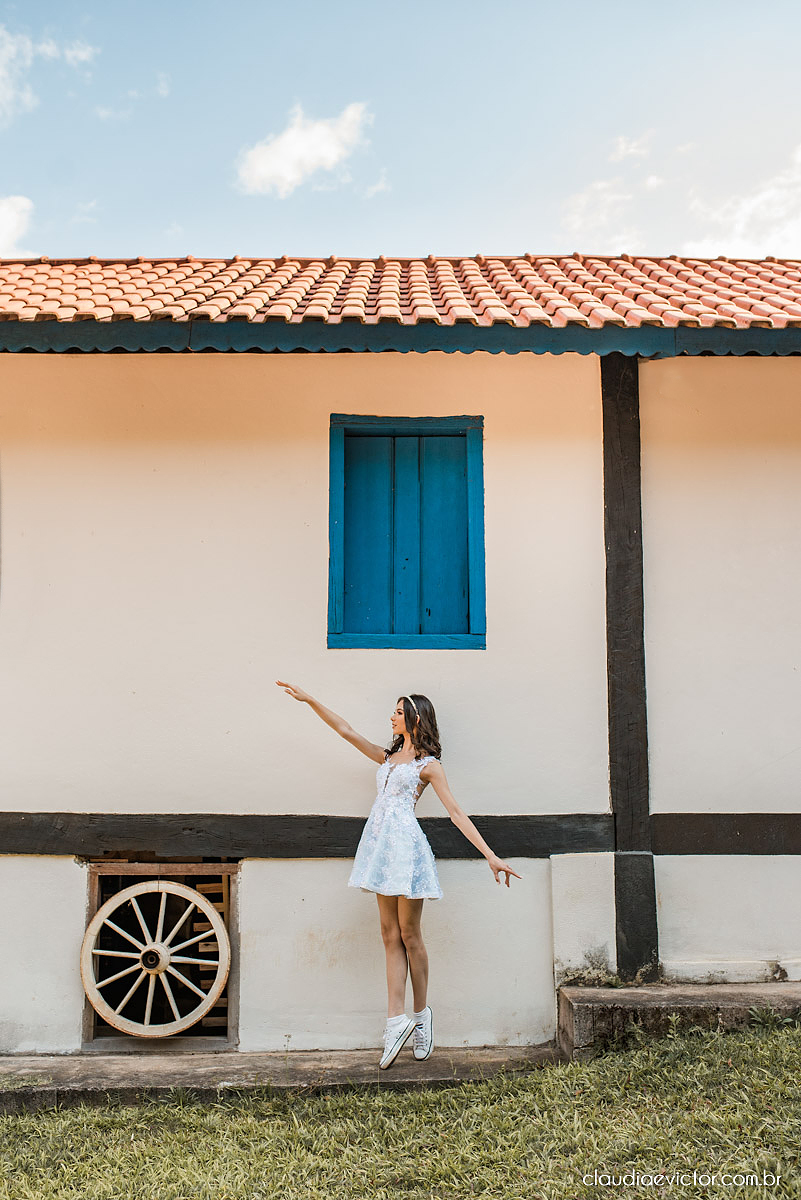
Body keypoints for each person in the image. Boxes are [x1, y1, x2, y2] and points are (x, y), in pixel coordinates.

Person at [275, 681, 522, 1070]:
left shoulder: (429, 767)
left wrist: (491, 856)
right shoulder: (387, 757)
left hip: (406, 850)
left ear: (414, 717)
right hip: (379, 849)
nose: (391, 715)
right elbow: (346, 731)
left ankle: (421, 1017)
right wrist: (311, 701)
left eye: (397, 710)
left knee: (410, 935)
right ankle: (395, 1023)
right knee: (388, 935)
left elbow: (456, 813)